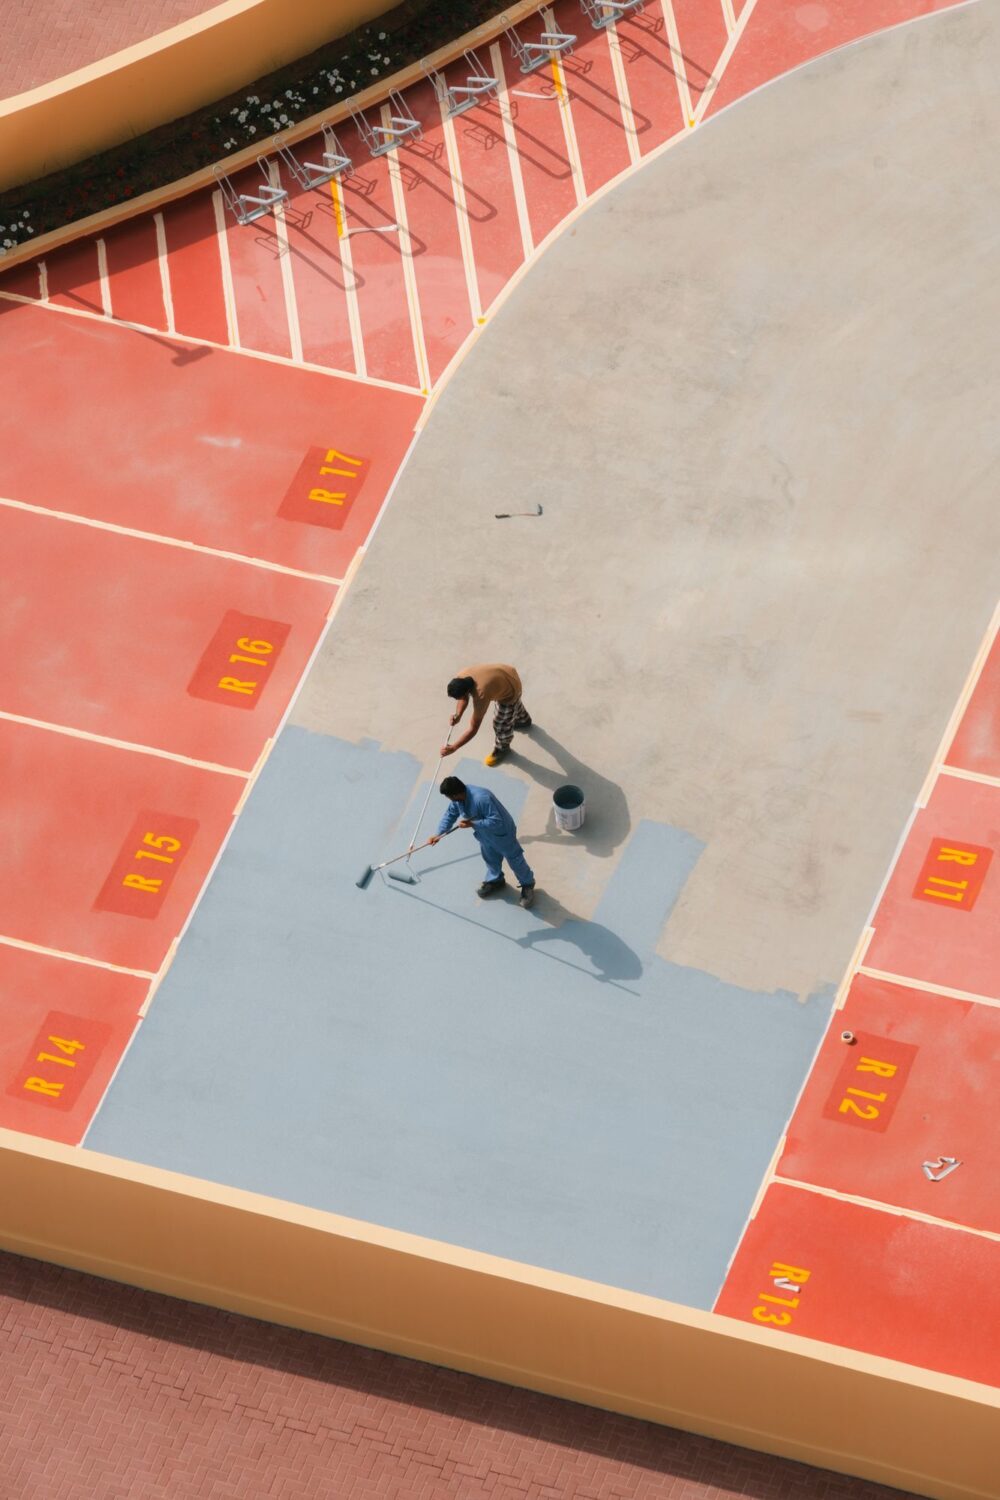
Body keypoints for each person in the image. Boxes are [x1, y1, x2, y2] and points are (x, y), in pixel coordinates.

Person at [430, 776, 536, 907]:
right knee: (490, 858)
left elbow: (497, 822)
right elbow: (450, 814)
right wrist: (438, 834)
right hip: (484, 834)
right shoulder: (458, 800)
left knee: (515, 860)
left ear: (456, 794)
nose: (450, 800)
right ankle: (496, 880)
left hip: (502, 834)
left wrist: (472, 823)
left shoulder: (481, 799)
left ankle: (528, 885)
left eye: (449, 797)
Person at [441, 662, 532, 766]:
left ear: (466, 692)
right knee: (513, 708)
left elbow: (474, 728)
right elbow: (464, 698)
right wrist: (458, 715)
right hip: (507, 672)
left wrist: (454, 747)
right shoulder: (461, 676)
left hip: (511, 689)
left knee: (500, 723)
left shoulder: (481, 695)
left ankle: (503, 748)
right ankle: (523, 720)